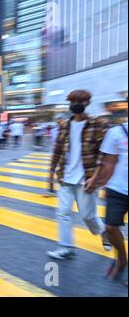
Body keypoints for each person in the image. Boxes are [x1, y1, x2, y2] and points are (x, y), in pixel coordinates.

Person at [47, 90, 111, 259]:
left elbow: (103, 155)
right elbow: (57, 151)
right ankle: (65, 247)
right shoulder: (63, 126)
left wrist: (96, 179)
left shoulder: (98, 125)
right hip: (65, 177)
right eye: (72, 101)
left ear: (87, 103)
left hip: (87, 179)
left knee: (88, 216)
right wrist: (50, 174)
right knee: (63, 212)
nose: (75, 104)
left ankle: (104, 232)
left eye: (79, 101)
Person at [89, 108, 128, 282]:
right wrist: (104, 185)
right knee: (111, 228)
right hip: (118, 189)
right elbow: (109, 163)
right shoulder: (116, 132)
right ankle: (121, 258)